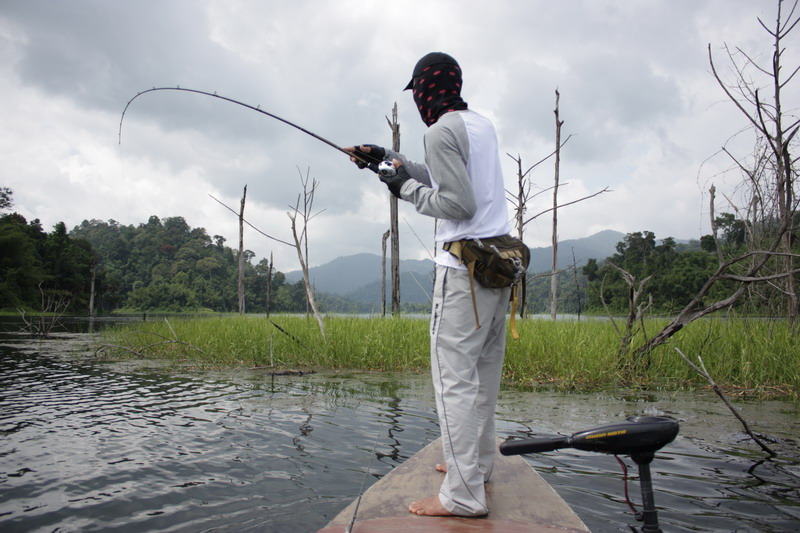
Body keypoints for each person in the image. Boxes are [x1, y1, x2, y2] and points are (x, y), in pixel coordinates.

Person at [347, 52, 513, 517]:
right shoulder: (479, 125)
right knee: (481, 379)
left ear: (424, 89)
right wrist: (390, 161)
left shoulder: (439, 131)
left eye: (417, 91)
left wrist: (402, 187)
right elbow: (450, 177)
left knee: (453, 383)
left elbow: (456, 202)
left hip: (462, 274)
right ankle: (476, 468)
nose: (418, 99)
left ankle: (462, 497)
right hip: (497, 269)